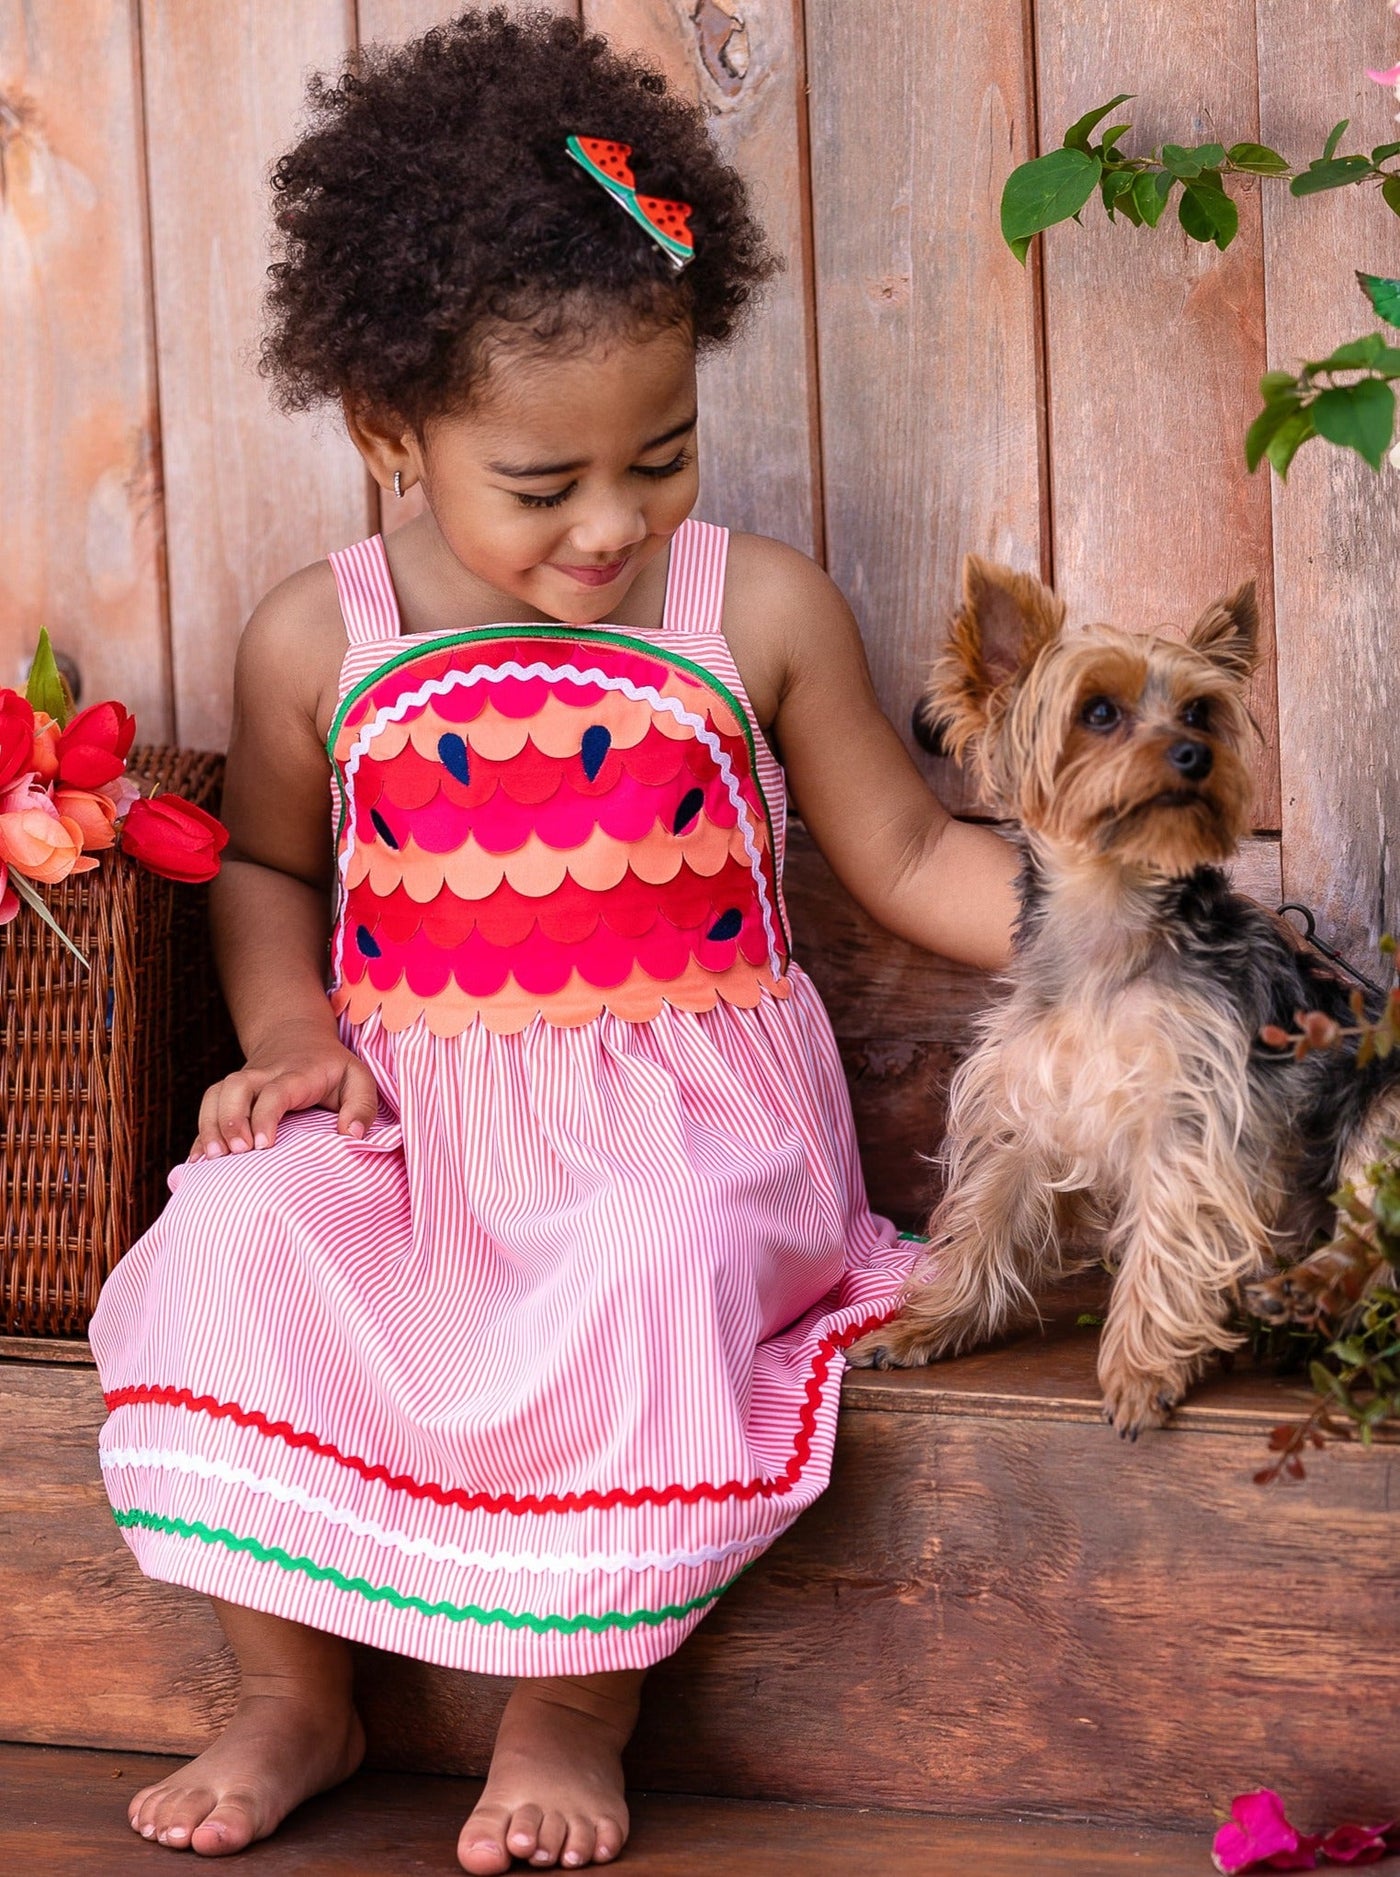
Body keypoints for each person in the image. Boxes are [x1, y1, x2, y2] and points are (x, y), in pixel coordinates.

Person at [90, 9, 1018, 1870]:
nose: (612, 525)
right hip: (415, 1131)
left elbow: (913, 850)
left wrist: (1131, 928)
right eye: (542, 486)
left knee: (644, 1257)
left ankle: (573, 1702)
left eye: (660, 458)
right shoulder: (321, 637)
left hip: (688, 1132)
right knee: (233, 1239)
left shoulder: (750, 609)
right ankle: (290, 1690)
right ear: (390, 435)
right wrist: (290, 1040)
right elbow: (264, 867)